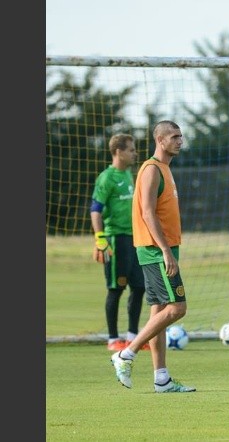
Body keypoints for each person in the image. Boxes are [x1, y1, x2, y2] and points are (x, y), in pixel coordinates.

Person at [110, 120, 195, 393]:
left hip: (162, 248)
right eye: (174, 136)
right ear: (160, 140)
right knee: (177, 308)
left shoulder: (165, 169)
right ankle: (126, 353)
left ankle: (162, 379)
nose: (180, 141)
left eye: (181, 136)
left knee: (159, 311)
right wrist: (166, 251)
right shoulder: (151, 169)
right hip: (156, 250)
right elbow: (148, 213)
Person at [90, 133, 148, 352]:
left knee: (140, 286)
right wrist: (100, 239)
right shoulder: (107, 178)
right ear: (118, 152)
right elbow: (95, 210)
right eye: (131, 150)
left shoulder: (129, 175)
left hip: (134, 239)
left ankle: (133, 337)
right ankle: (113, 339)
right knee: (116, 288)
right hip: (116, 239)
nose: (135, 153)